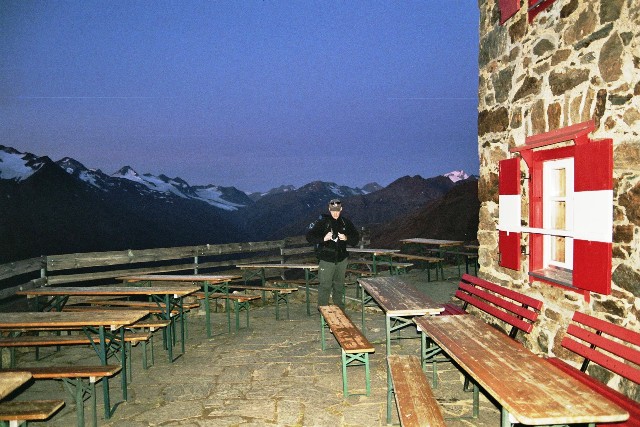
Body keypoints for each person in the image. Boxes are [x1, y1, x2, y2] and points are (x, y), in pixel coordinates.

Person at [306, 198, 360, 310]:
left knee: (339, 285)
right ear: (329, 210)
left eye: (337, 210)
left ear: (341, 209)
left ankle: (339, 308)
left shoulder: (345, 222)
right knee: (325, 285)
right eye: (333, 211)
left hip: (342, 259)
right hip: (326, 259)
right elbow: (309, 236)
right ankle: (323, 310)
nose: (335, 213)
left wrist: (347, 238)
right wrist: (323, 238)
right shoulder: (323, 223)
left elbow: (356, 239)